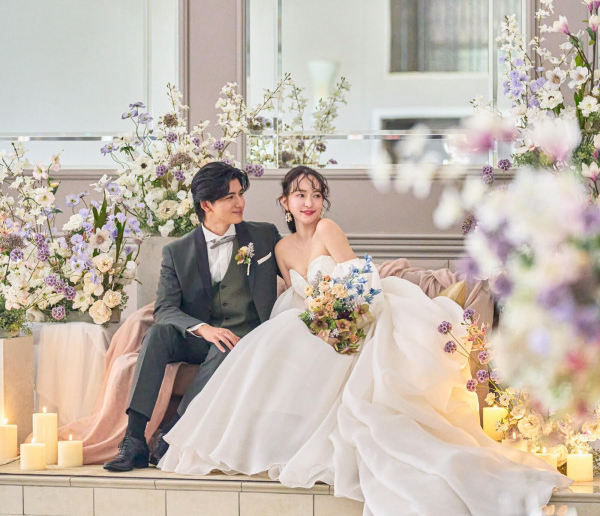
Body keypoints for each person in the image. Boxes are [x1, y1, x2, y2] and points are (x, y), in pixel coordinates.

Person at [159, 166, 570, 515]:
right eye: (300, 195)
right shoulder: (280, 247)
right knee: (274, 340)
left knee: (303, 343)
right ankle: (256, 442)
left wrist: (340, 318)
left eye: (316, 195)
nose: (309, 203)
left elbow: (358, 279)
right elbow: (290, 293)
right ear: (285, 202)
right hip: (310, 317)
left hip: (352, 312)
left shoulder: (328, 229)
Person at [104, 162, 281, 471]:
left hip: (243, 338)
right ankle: (134, 440)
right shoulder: (177, 252)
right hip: (198, 338)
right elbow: (165, 308)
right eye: (229, 197)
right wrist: (203, 329)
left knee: (226, 345)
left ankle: (172, 432)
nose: (240, 202)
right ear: (206, 205)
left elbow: (298, 260)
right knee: (157, 334)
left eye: (240, 194)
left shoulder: (264, 236)